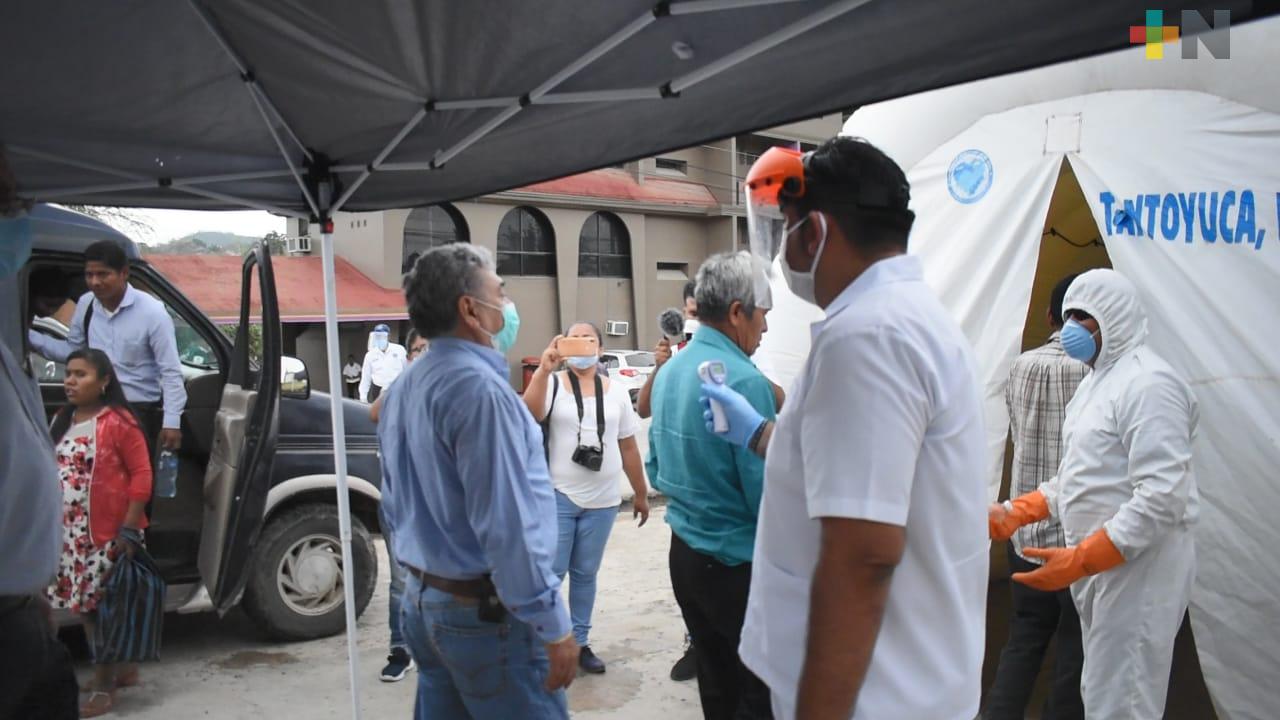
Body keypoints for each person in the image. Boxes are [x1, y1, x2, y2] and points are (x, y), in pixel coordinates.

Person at [701, 137, 988, 719]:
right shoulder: (904, 318)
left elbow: (863, 556)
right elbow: (864, 474)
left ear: (815, 233)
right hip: (903, 679)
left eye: (787, 230)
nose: (783, 253)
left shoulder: (868, 338)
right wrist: (760, 434)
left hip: (874, 694)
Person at [377, 243, 577, 719]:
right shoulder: (481, 393)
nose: (506, 306)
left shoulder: (406, 385)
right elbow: (507, 528)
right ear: (470, 308)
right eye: (500, 292)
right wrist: (553, 624)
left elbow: (395, 503)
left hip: (425, 602)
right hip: (483, 616)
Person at [990, 268, 1199, 720]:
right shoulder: (1096, 383)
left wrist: (1086, 556)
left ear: (1116, 317)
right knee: (1100, 690)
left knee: (1124, 701)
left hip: (1137, 571)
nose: (1071, 328)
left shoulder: (1149, 385)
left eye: (1085, 317)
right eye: (1069, 316)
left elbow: (1162, 495)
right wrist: (1019, 511)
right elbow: (1078, 477)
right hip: (1105, 570)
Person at [647, 251, 778, 720]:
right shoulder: (745, 380)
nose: (765, 329)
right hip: (738, 566)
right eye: (764, 315)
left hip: (684, 552)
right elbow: (769, 502)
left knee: (716, 687)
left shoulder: (671, 370)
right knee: (759, 695)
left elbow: (655, 468)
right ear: (738, 312)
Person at [983, 274, 1087, 720]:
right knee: (1074, 647)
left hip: (1022, 529)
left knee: (1023, 639)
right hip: (1075, 535)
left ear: (1049, 316)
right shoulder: (1095, 373)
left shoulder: (1020, 365)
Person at [522, 322, 651, 675]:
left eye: (588, 339)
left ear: (599, 346)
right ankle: (549, 643)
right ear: (562, 345)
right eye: (573, 339)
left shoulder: (618, 392)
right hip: (559, 496)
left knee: (585, 574)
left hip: (604, 502)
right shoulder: (553, 385)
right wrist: (544, 370)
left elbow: (627, 446)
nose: (581, 346)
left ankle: (579, 644)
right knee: (553, 572)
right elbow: (530, 413)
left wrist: (640, 493)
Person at [0, 195, 80, 720]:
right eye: (9, 204)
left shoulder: (8, 351)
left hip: (22, 615)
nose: (20, 217)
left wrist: (32, 597)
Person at [45, 349, 153, 718]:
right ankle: (122, 671)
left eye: (81, 374)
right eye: (68, 374)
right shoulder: (62, 418)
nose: (70, 381)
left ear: (104, 380)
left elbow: (142, 476)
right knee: (86, 607)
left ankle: (105, 688)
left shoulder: (119, 422)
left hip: (106, 534)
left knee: (97, 612)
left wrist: (129, 529)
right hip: (71, 534)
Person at [28, 240, 186, 456]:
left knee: (135, 479)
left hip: (136, 412)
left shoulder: (152, 313)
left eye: (103, 274)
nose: (95, 282)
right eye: (89, 275)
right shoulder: (86, 304)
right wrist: (24, 335)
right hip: (95, 408)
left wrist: (172, 422)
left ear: (124, 273)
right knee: (94, 476)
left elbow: (170, 371)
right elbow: (72, 351)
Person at [369, 328, 426, 682]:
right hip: (398, 506)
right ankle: (400, 649)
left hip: (438, 511)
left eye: (430, 349)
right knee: (401, 583)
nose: (423, 354)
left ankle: (434, 646)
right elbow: (374, 412)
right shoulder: (398, 393)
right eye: (417, 349)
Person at [359, 323, 408, 403]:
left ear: (389, 336)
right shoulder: (370, 355)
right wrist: (363, 397)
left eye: (383, 336)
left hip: (397, 388)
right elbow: (366, 377)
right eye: (378, 336)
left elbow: (407, 370)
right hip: (378, 390)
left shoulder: (399, 350)